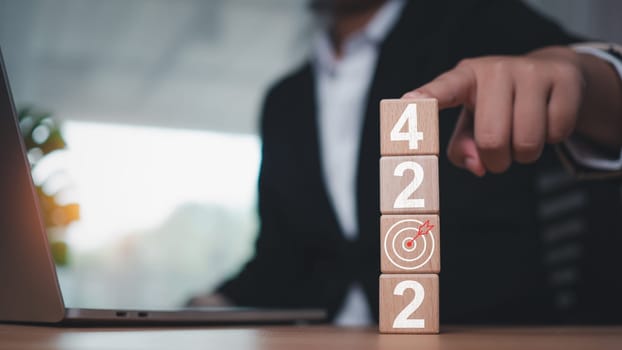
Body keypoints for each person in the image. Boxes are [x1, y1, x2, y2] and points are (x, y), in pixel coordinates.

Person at [190, 0, 622, 324]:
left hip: (486, 330)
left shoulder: (481, 21)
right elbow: (280, 257)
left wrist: (577, 70)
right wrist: (207, 304)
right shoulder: (284, 102)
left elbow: (588, 85)